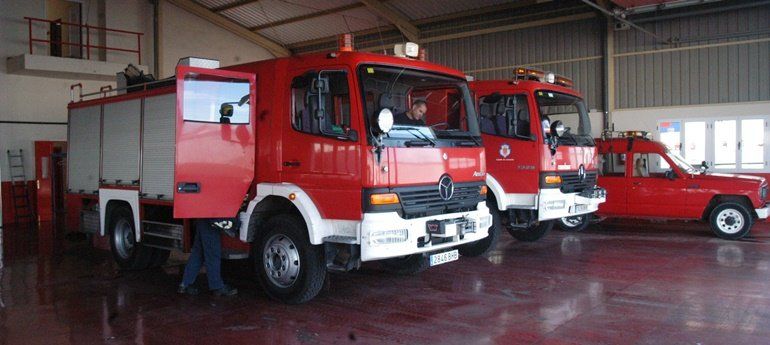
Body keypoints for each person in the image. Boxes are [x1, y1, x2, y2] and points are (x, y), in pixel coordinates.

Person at [178, 219, 238, 296]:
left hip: (203, 217)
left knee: (199, 252)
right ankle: (216, 286)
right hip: (211, 218)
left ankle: (185, 284)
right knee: (212, 253)